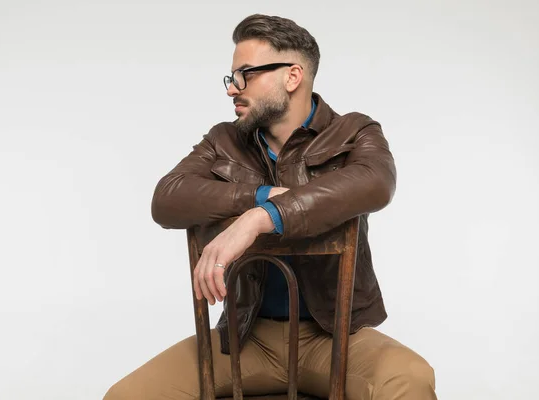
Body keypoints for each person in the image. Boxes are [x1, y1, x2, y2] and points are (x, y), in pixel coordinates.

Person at [104, 13, 437, 400]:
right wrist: (259, 196)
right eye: (232, 77)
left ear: (292, 76)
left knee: (410, 378)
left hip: (333, 338)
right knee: (127, 395)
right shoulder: (223, 140)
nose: (233, 89)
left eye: (245, 74)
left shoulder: (354, 132)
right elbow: (167, 197)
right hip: (246, 339)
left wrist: (259, 219)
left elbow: (376, 182)